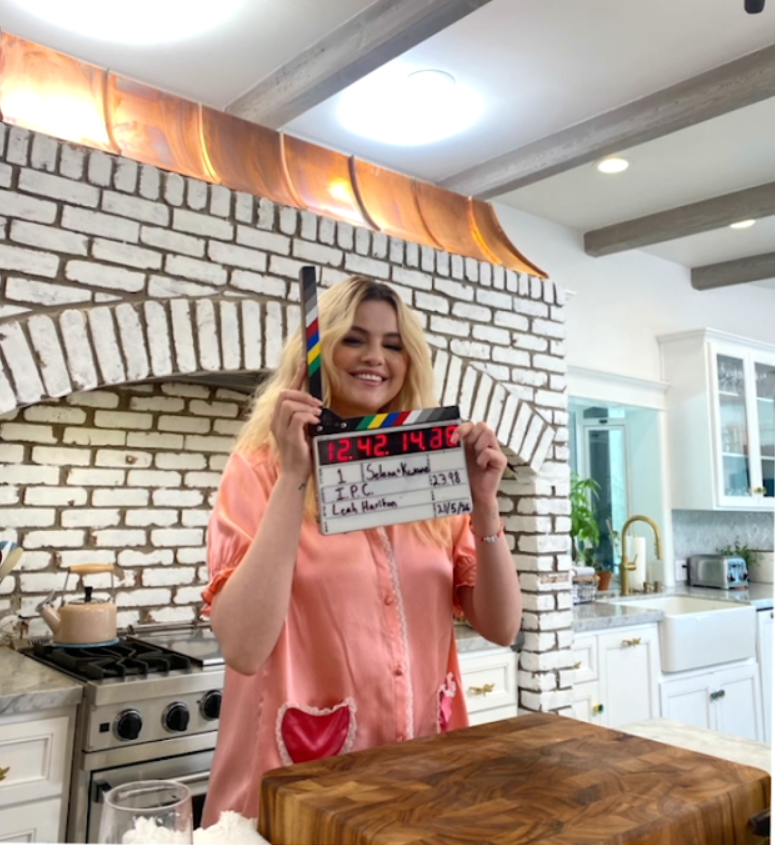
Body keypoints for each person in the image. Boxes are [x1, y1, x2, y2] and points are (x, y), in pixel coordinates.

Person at [201, 275, 522, 825]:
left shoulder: (430, 472)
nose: (375, 357)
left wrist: (484, 505)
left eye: (393, 345)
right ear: (317, 351)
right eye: (354, 339)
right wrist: (295, 476)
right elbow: (244, 648)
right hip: (297, 787)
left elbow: (501, 626)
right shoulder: (260, 469)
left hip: (419, 777)